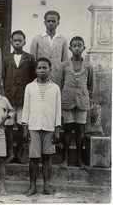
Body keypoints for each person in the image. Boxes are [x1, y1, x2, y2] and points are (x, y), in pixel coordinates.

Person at [22, 57, 61, 196]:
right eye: (39, 68)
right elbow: (26, 107)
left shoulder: (55, 88)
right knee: (34, 158)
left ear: (50, 69)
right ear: (35, 70)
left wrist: (57, 129)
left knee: (47, 157)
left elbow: (58, 109)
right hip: (33, 126)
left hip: (49, 127)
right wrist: (25, 127)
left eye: (45, 68)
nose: (42, 70)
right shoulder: (30, 87)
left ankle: (46, 186)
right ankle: (32, 186)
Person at [57, 36, 94, 170]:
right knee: (67, 129)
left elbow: (90, 86)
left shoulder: (89, 66)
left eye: (79, 46)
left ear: (84, 48)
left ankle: (79, 159)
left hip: (82, 102)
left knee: (80, 130)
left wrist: (86, 97)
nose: (77, 48)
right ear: (70, 48)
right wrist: (62, 98)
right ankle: (65, 158)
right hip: (67, 101)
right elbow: (59, 84)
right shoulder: (64, 65)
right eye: (74, 46)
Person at [2, 30, 36, 164]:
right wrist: (7, 93)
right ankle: (10, 153)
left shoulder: (29, 58)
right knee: (9, 126)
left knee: (22, 126)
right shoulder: (7, 59)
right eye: (15, 40)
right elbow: (4, 78)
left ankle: (20, 153)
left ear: (24, 42)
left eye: (19, 40)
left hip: (24, 99)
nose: (17, 43)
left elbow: (33, 78)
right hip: (10, 100)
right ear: (11, 42)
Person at [30, 10, 68, 82]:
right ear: (45, 23)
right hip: (41, 76)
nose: (51, 23)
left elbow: (65, 61)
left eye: (53, 21)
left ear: (58, 23)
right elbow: (33, 60)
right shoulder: (37, 39)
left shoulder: (63, 40)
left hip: (57, 76)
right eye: (48, 21)